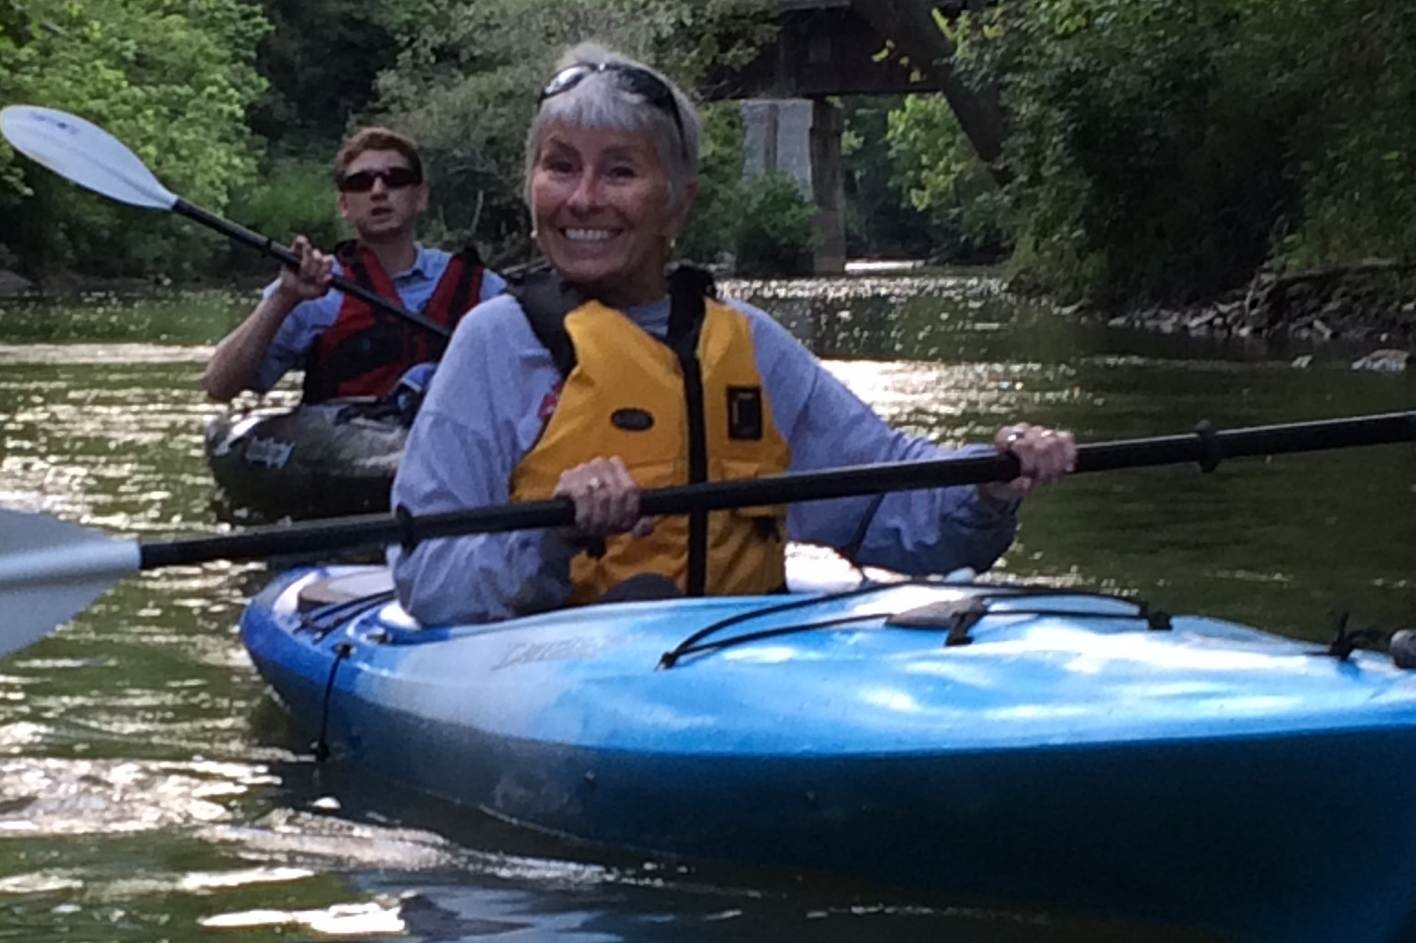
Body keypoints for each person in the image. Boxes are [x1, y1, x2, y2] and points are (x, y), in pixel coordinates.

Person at [390, 46, 1078, 626]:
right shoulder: (495, 344)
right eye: (560, 166)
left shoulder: (747, 343)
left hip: (729, 663)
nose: (583, 198)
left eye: (620, 171)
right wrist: (552, 530)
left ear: (678, 200)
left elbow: (885, 507)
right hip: (556, 674)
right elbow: (429, 581)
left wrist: (989, 481)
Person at [201, 127, 504, 405]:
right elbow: (219, 386)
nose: (378, 191)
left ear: (420, 198)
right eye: (361, 182)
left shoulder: (482, 289)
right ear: (344, 205)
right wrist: (283, 299)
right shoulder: (313, 288)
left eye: (395, 179)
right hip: (352, 451)